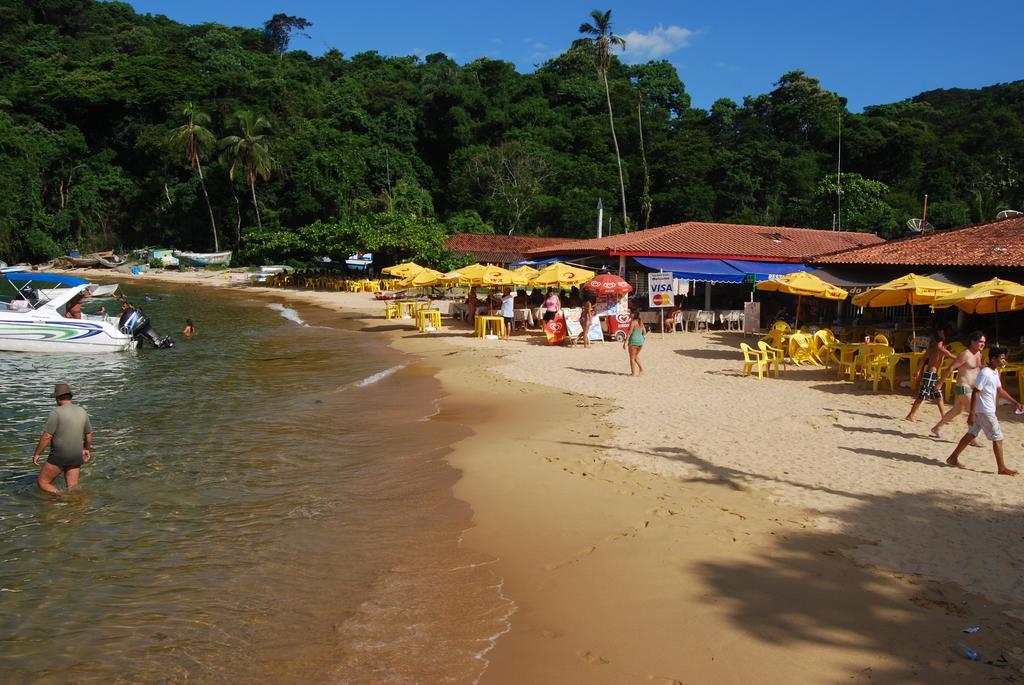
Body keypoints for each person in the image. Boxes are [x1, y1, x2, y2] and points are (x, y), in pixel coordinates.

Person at [946, 346, 1022, 476]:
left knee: (971, 434)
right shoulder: (985, 373)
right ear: (993, 359)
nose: (1004, 360)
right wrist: (971, 413)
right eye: (1001, 358)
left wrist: (1016, 403)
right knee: (998, 438)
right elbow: (976, 392)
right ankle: (1002, 468)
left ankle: (953, 458)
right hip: (985, 411)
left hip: (984, 410)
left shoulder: (994, 372)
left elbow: (1000, 390)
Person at [32, 383, 93, 495]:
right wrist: (86, 449)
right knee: (73, 486)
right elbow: (89, 434)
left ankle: (61, 495)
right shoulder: (82, 411)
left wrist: (37, 454)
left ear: (58, 398)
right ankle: (78, 506)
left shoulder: (56, 412)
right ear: (70, 396)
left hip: (59, 455)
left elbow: (47, 436)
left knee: (43, 483)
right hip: (76, 454)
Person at [932, 331, 985, 438]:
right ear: (972, 342)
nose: (982, 344)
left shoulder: (979, 354)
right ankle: (971, 437)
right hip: (963, 387)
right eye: (980, 342)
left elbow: (978, 369)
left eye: (984, 342)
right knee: (974, 412)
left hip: (972, 387)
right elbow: (951, 368)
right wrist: (940, 384)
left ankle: (936, 428)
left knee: (957, 410)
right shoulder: (965, 354)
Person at [905, 330, 955, 422]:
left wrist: (918, 370)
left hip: (931, 375)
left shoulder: (931, 348)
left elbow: (923, 359)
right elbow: (953, 357)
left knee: (938, 396)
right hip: (931, 375)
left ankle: (944, 416)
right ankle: (910, 415)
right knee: (922, 396)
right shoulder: (942, 349)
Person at [624, 307, 646, 376]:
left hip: (633, 342)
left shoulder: (633, 322)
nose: (630, 314)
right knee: (635, 356)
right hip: (640, 342)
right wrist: (642, 339)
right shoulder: (640, 322)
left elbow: (629, 333)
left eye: (631, 313)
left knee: (632, 358)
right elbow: (644, 332)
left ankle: (633, 373)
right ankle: (641, 370)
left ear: (634, 314)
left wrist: (625, 343)